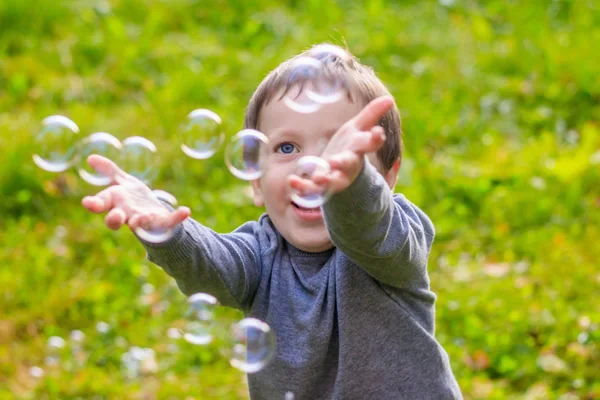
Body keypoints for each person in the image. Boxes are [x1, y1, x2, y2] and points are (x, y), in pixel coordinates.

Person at [82, 44, 462, 399]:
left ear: (388, 178)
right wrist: (167, 230)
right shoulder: (260, 253)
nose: (310, 166)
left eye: (335, 149)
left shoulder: (395, 240)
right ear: (256, 181)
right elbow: (213, 266)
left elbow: (369, 226)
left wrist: (351, 187)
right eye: (286, 148)